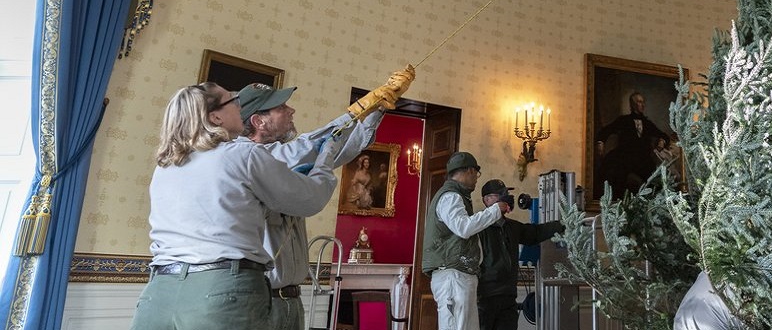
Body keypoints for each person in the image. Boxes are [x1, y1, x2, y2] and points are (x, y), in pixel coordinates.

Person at [130, 82, 346, 330]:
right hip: (220, 290)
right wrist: (325, 160)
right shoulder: (244, 154)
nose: (239, 106)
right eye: (233, 100)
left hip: (158, 293)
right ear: (215, 117)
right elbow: (310, 199)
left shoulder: (166, 166)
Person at [241, 66, 415, 330]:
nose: (291, 111)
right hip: (262, 302)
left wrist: (378, 107)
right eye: (281, 107)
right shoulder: (250, 157)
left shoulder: (281, 159)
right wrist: (360, 107)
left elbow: (341, 149)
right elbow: (309, 146)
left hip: (289, 300)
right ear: (258, 121)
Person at [421, 151, 511, 330]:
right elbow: (463, 228)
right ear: (470, 171)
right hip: (453, 276)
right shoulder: (450, 196)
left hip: (459, 275)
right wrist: (494, 210)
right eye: (476, 173)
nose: (476, 179)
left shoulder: (455, 196)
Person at [477, 179, 565, 330]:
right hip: (484, 298)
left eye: (506, 193)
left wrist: (563, 224)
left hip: (508, 297)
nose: (505, 197)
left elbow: (535, 233)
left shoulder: (512, 227)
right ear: (487, 200)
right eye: (500, 195)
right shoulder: (477, 227)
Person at [595, 92, 666, 198]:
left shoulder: (647, 123)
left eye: (643, 102)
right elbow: (606, 130)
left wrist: (662, 141)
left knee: (655, 181)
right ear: (632, 104)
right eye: (639, 102)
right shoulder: (623, 120)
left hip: (643, 158)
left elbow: (662, 135)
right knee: (614, 175)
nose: (643, 105)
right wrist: (600, 142)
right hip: (625, 156)